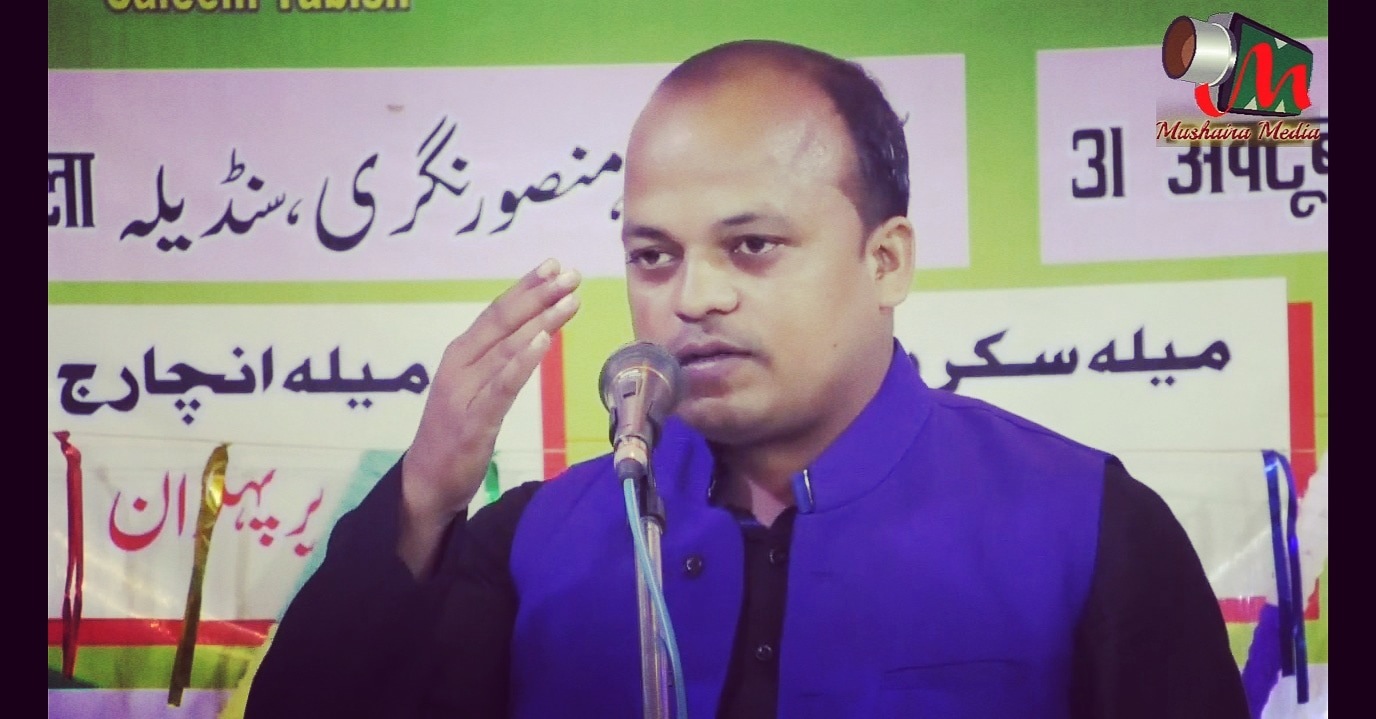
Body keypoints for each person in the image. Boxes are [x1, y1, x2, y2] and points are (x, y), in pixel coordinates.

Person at [245, 40, 1248, 718]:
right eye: (652, 256)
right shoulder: (533, 545)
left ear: (886, 259)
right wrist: (425, 498)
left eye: (752, 245)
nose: (693, 297)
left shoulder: (1084, 524)